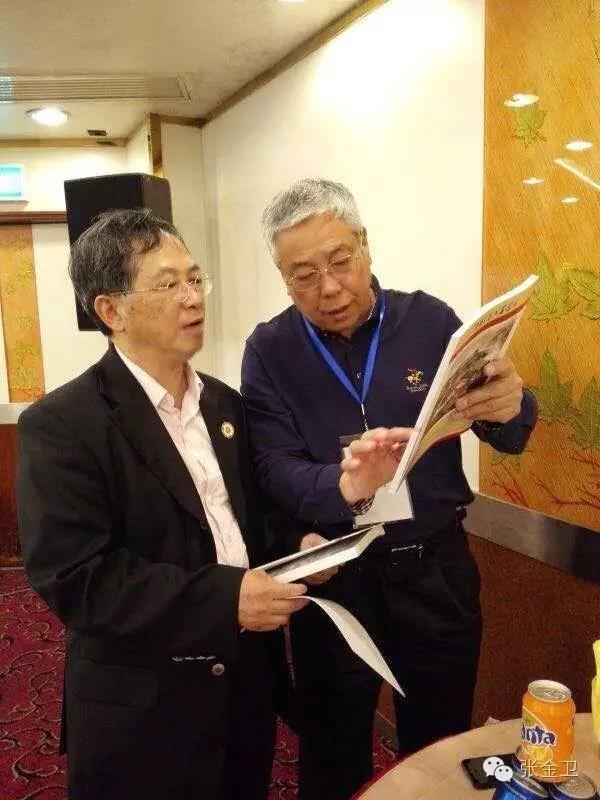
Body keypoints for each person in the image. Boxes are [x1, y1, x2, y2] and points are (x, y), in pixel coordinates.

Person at [241, 178, 538, 800]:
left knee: (440, 747)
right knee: (331, 748)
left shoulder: (430, 321)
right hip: (339, 580)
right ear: (283, 279)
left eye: (339, 261)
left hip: (435, 570)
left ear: (365, 246)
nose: (328, 288)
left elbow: (507, 433)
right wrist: (344, 484)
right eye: (302, 275)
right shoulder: (269, 350)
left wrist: (511, 405)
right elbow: (272, 467)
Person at [16, 209, 311, 800]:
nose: (192, 297)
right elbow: (77, 578)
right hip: (144, 713)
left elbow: (242, 526)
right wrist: (226, 600)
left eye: (195, 278)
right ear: (111, 311)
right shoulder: (63, 424)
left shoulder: (225, 405)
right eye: (168, 283)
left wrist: (298, 550)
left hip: (242, 687)